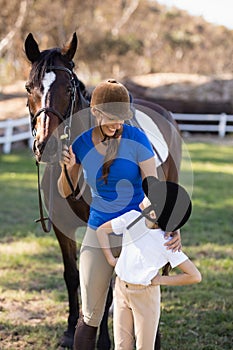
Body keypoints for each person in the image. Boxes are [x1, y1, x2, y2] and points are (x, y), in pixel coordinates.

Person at [57, 79, 182, 349]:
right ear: (95, 113)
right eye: (113, 118)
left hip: (137, 233)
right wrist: (68, 168)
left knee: (142, 312)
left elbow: (154, 187)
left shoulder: (137, 138)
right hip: (98, 229)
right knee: (89, 315)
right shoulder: (80, 144)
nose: (118, 124)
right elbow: (65, 190)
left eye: (122, 118)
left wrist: (170, 223)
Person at [96, 177, 202, 350]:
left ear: (153, 212)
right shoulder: (131, 218)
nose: (143, 198)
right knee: (121, 346)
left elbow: (194, 275)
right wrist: (110, 259)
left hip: (145, 296)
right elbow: (102, 230)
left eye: (147, 198)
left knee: (144, 347)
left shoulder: (165, 243)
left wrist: (159, 280)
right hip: (121, 290)